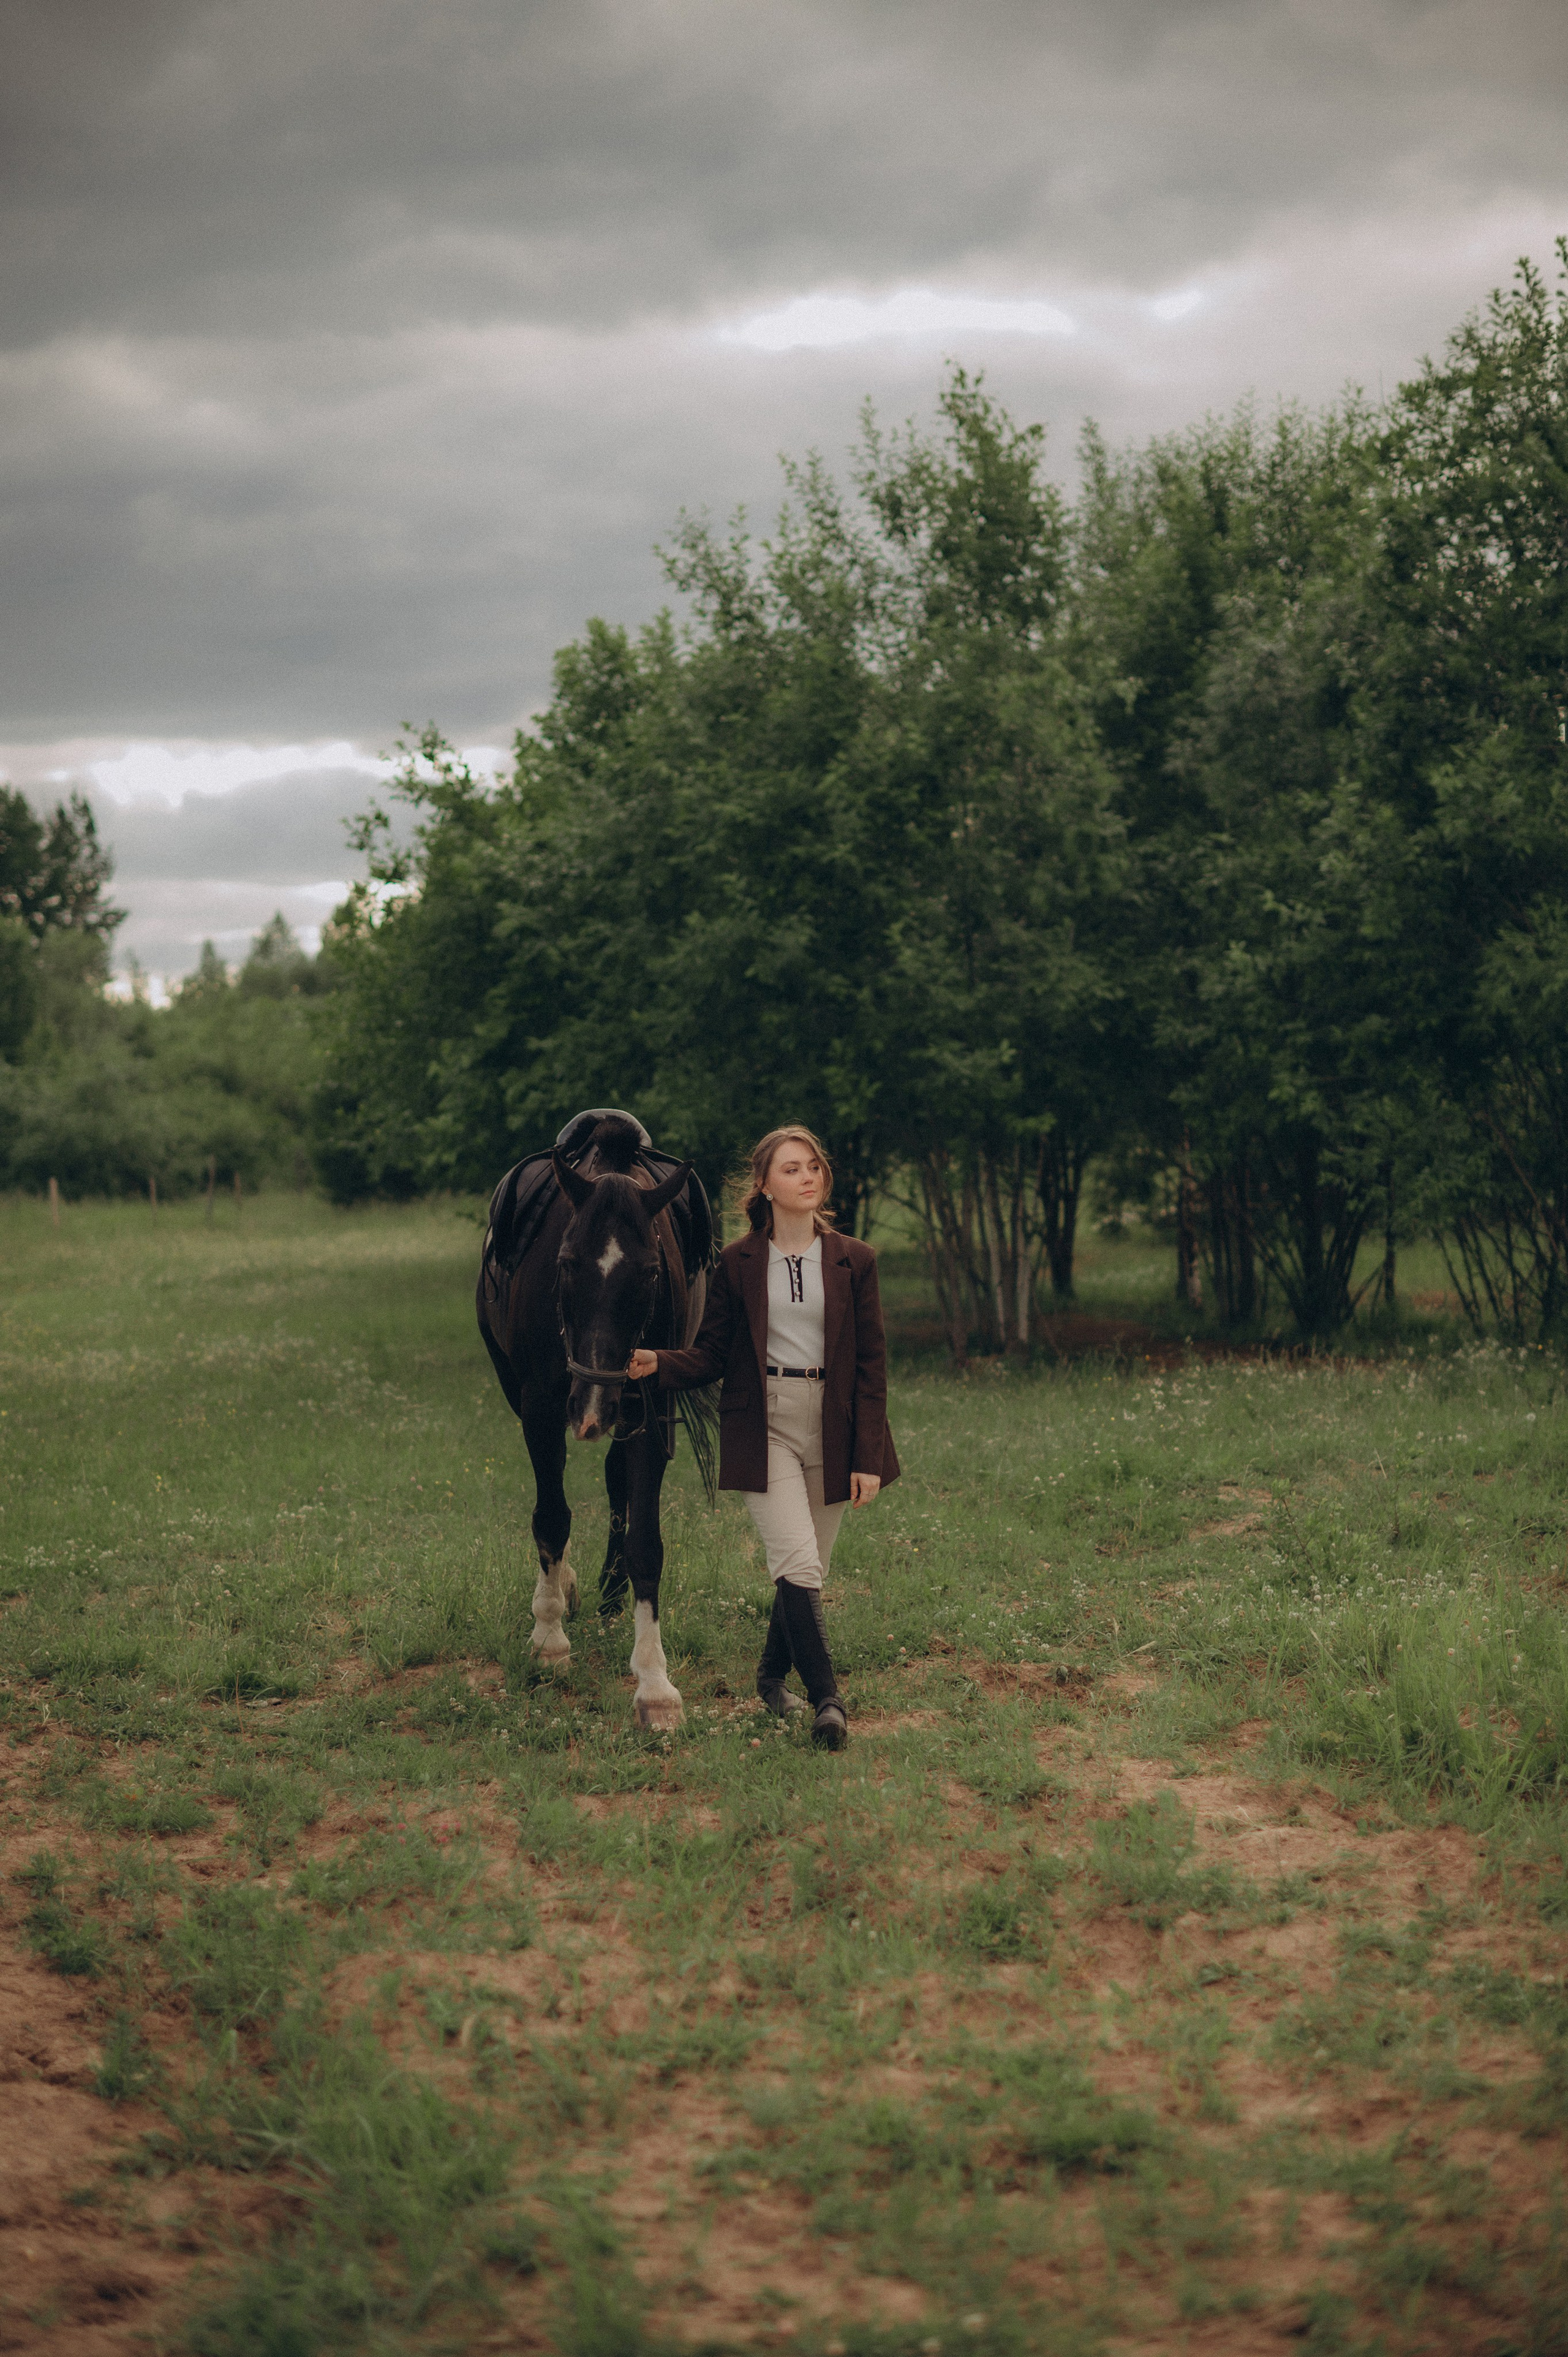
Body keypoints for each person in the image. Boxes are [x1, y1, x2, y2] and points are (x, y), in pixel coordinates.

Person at [628, 1124, 899, 1749]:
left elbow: (871, 1368)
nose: (808, 1177)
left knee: (810, 1570)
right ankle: (828, 1700)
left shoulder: (855, 1260)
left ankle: (772, 1676)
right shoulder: (739, 1262)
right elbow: (713, 1353)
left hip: (834, 1423)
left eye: (813, 1167)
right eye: (792, 1169)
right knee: (796, 1561)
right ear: (764, 1186)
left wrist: (868, 1457)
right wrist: (659, 1363)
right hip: (764, 1422)